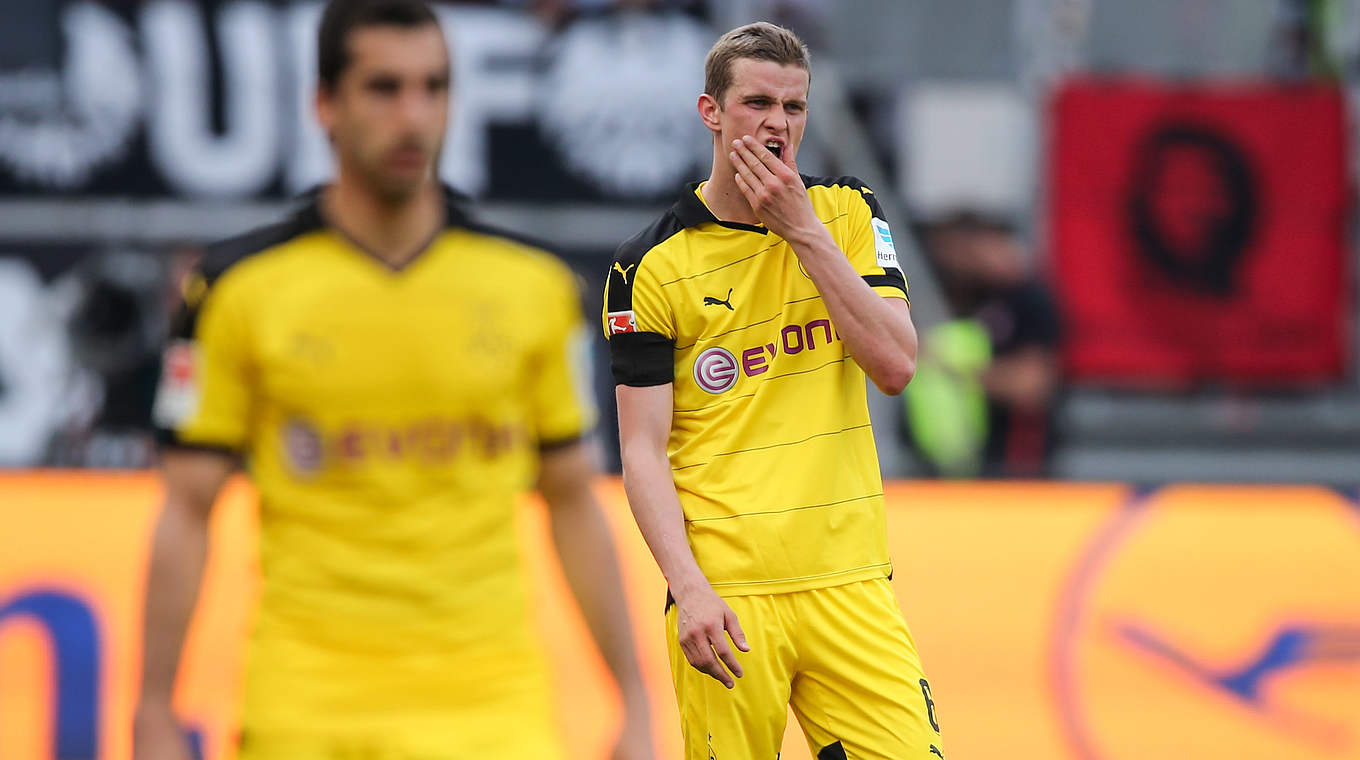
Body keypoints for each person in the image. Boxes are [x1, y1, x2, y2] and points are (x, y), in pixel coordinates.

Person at [133, 2, 653, 759]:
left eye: (433, 88)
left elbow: (573, 501)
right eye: (384, 88)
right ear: (324, 105)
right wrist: (153, 711)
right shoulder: (239, 289)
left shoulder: (532, 287)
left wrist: (634, 702)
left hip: (492, 715)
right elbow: (185, 510)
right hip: (306, 715)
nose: (414, 116)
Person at [604, 21, 944, 760]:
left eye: (794, 107)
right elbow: (642, 450)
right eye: (757, 102)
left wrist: (803, 232)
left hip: (850, 582)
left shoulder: (848, 214)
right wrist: (687, 585)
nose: (776, 124)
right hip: (728, 596)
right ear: (711, 112)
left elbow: (896, 367)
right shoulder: (651, 266)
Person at [910, 212, 1061, 478]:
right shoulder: (977, 296)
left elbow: (1031, 386)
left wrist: (949, 365)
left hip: (1019, 465)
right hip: (970, 462)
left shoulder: (1029, 300)